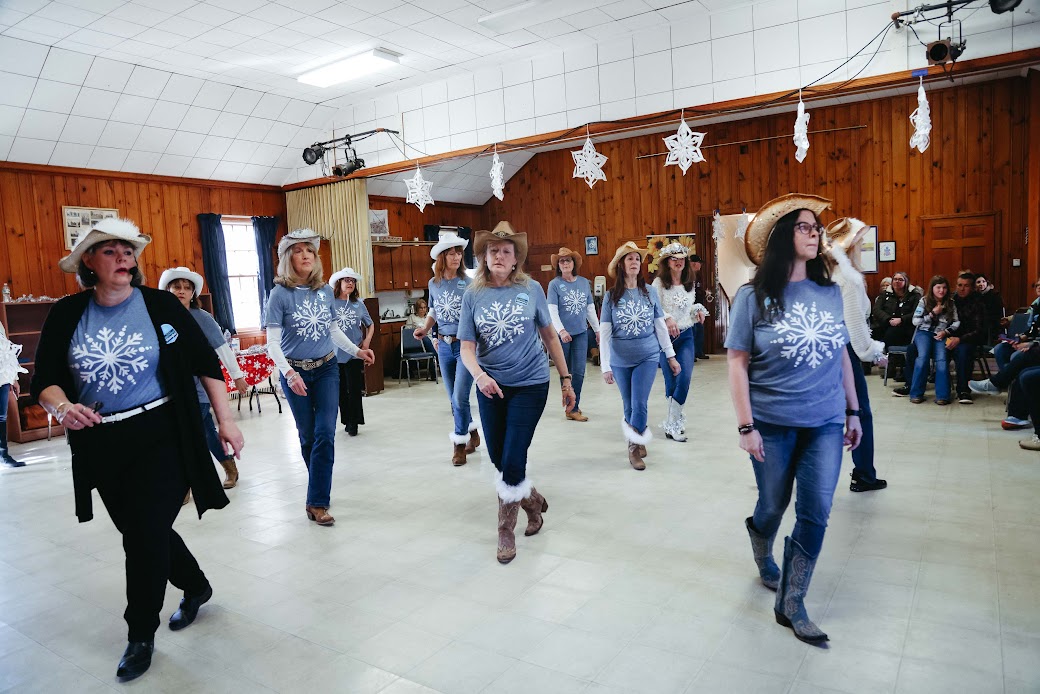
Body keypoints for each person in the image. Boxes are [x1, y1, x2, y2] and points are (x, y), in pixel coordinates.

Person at [32, 218, 244, 681]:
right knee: (141, 529)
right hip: (101, 441)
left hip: (163, 432)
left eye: (127, 250)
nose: (123, 257)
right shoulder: (69, 313)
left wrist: (226, 421)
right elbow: (43, 379)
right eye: (109, 251)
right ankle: (196, 585)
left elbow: (205, 362)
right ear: (88, 262)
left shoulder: (162, 305)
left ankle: (140, 634)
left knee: (144, 533)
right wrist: (64, 407)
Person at [726, 194, 861, 645]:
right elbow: (737, 363)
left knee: (816, 513)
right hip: (773, 422)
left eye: (815, 227)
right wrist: (746, 426)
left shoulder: (829, 291)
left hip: (824, 422)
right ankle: (760, 543)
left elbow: (841, 352)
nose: (815, 232)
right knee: (772, 505)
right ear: (784, 236)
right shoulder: (753, 296)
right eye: (804, 227)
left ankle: (793, 599)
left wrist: (853, 409)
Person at [457, 222, 576, 564]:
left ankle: (505, 532)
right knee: (498, 456)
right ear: (483, 256)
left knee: (512, 456)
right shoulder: (473, 295)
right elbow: (466, 348)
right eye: (492, 250)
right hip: (490, 386)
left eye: (505, 251)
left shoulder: (532, 289)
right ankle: (533, 502)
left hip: (531, 383)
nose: (498, 255)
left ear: (515, 259)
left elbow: (551, 336)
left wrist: (566, 380)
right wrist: (479, 376)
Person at [265, 229, 375, 527]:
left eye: (310, 251)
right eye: (299, 251)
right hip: (294, 371)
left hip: (327, 368)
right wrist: (288, 373)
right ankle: (319, 488)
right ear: (288, 258)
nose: (305, 256)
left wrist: (357, 351)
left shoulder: (325, 291)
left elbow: (332, 329)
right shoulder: (279, 294)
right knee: (308, 436)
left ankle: (317, 501)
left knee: (325, 433)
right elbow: (272, 342)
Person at [159, 266, 248, 493]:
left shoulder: (201, 318)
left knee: (194, 432)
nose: (181, 291)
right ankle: (223, 468)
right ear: (167, 289)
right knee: (197, 433)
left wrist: (237, 376)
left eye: (186, 288)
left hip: (199, 387)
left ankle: (197, 479)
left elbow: (222, 349)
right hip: (168, 388)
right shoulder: (159, 316)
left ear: (193, 293)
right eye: (176, 287)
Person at [600, 241, 680, 470]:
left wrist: (670, 356)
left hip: (647, 355)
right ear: (621, 266)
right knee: (628, 405)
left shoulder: (650, 293)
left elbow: (660, 327)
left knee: (639, 402)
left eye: (637, 258)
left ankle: (634, 448)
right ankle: (638, 434)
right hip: (620, 358)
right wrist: (605, 366)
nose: (634, 262)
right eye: (629, 258)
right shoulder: (611, 296)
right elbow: (604, 334)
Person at [823, 218, 888, 492]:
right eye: (860, 242)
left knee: (827, 415)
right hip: (845, 352)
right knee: (860, 413)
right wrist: (875, 352)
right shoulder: (849, 280)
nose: (862, 246)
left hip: (823, 351)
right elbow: (854, 329)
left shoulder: (826, 275)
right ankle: (864, 475)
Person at [414, 232, 480, 466]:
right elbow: (433, 311)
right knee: (454, 398)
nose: (456, 256)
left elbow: (476, 315)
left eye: (459, 252)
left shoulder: (469, 284)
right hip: (443, 345)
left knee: (460, 395)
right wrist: (425, 328)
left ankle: (459, 445)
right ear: (442, 257)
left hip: (464, 346)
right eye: (451, 253)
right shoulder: (434, 283)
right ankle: (472, 432)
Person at [652, 242, 706, 442]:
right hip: (664, 339)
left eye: (682, 258)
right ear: (667, 262)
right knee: (671, 380)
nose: (679, 262)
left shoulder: (689, 284)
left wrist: (698, 310)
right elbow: (654, 308)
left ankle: (673, 423)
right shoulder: (658, 284)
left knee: (684, 377)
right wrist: (667, 317)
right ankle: (674, 420)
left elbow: (687, 311)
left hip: (685, 336)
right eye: (674, 259)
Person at [547, 246, 599, 422]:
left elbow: (590, 309)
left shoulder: (584, 282)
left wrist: (598, 330)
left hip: (581, 333)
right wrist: (561, 331)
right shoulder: (554, 285)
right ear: (558, 265)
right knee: (566, 373)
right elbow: (552, 310)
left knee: (579, 371)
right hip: (562, 336)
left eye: (568, 260)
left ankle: (573, 407)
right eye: (562, 261)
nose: (565, 263)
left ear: (574, 263)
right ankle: (570, 406)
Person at [329, 267, 374, 437]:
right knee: (340, 390)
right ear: (338, 283)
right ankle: (346, 420)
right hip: (334, 354)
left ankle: (354, 422)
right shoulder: (331, 303)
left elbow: (370, 324)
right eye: (346, 280)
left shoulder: (358, 304)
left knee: (354, 389)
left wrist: (366, 341)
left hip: (355, 353)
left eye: (353, 281)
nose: (350, 283)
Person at [907, 275, 959, 405]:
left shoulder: (951, 303)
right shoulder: (924, 301)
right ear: (932, 288)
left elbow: (957, 322)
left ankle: (942, 396)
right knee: (923, 358)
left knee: (941, 359)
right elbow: (915, 321)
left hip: (940, 334)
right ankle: (916, 393)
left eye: (944, 287)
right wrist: (933, 313)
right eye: (938, 287)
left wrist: (946, 332)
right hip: (924, 333)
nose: (941, 290)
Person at [946, 272, 986, 404]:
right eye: (959, 285)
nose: (962, 289)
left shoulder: (979, 303)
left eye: (966, 286)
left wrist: (959, 339)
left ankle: (963, 390)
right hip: (949, 336)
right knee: (916, 348)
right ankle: (914, 386)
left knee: (962, 351)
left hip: (970, 339)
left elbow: (979, 331)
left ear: (973, 287)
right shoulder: (951, 300)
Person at [0, 321, 27, 467]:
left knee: (1, 417)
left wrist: (14, 377)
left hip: (2, 375)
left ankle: (3, 455)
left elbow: (6, 351)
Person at [872, 271, 921, 349]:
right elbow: (876, 309)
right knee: (871, 333)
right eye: (895, 279)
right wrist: (888, 319)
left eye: (900, 280)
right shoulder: (885, 294)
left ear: (906, 282)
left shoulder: (914, 295)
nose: (897, 281)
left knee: (891, 334)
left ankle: (886, 356)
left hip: (904, 326)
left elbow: (916, 313)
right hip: (886, 323)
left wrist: (901, 320)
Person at [688, 253, 711, 359]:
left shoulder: (698, 275)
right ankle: (692, 353)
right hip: (691, 307)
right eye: (699, 263)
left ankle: (698, 352)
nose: (700, 265)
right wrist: (704, 293)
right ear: (693, 263)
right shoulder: (688, 275)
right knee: (694, 331)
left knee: (699, 330)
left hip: (699, 306)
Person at [974, 273, 1004, 344]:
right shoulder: (974, 296)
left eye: (983, 281)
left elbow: (997, 314)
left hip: (992, 325)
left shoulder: (994, 295)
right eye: (978, 282)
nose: (981, 284)